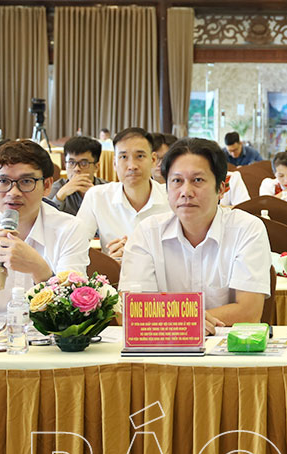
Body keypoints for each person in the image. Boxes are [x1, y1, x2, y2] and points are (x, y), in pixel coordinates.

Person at [121, 138, 270, 334]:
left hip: (227, 347)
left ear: (221, 189)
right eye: (177, 181)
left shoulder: (247, 229)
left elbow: (248, 313)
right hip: (163, 347)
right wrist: (191, 320)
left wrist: (176, 320)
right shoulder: (147, 233)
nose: (186, 192)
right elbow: (131, 312)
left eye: (198, 180)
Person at [0, 140, 91, 317]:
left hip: (49, 333)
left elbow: (75, 313)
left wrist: (39, 269)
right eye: (3, 181)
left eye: (26, 181)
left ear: (47, 186)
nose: (13, 192)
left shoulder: (70, 229)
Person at [75, 128, 170, 262]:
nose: (132, 166)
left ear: (153, 160)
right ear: (114, 163)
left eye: (140, 156)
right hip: (115, 274)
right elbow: (74, 247)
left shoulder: (172, 197)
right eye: (124, 157)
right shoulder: (97, 197)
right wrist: (108, 262)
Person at [46, 136, 106, 216]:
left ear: (96, 167)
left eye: (84, 163)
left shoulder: (106, 189)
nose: (77, 168)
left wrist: (96, 197)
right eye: (71, 163)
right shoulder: (55, 188)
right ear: (65, 165)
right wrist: (60, 196)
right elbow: (45, 219)